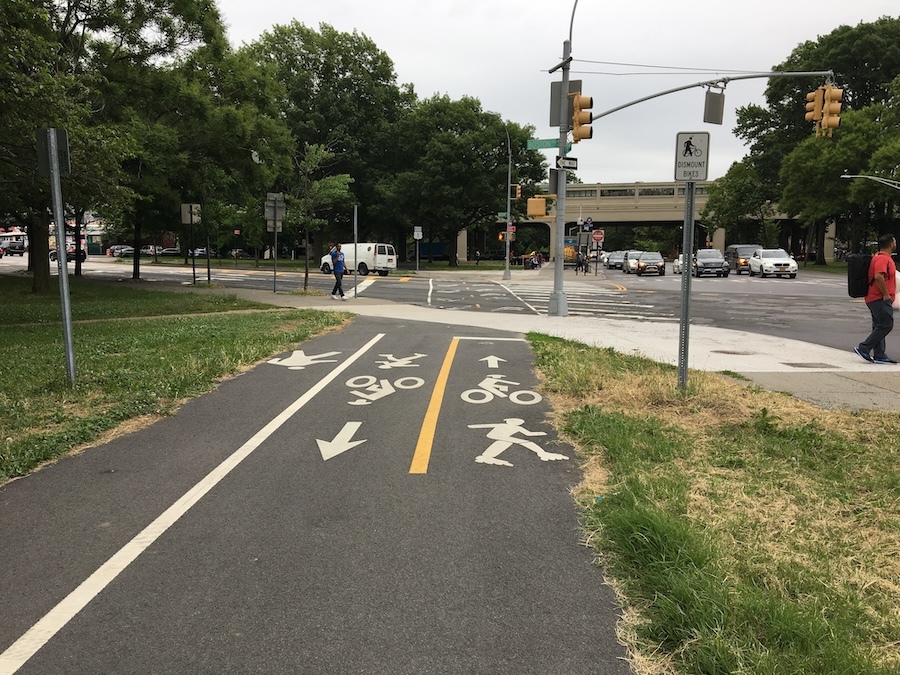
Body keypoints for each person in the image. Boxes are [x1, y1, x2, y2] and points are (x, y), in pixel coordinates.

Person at [854, 233, 897, 363]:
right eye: (894, 242)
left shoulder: (882, 257)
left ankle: (879, 354)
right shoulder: (882, 259)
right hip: (878, 298)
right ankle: (864, 347)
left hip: (876, 298)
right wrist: (885, 294)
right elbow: (878, 276)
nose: (896, 244)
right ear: (891, 244)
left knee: (879, 325)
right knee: (886, 324)